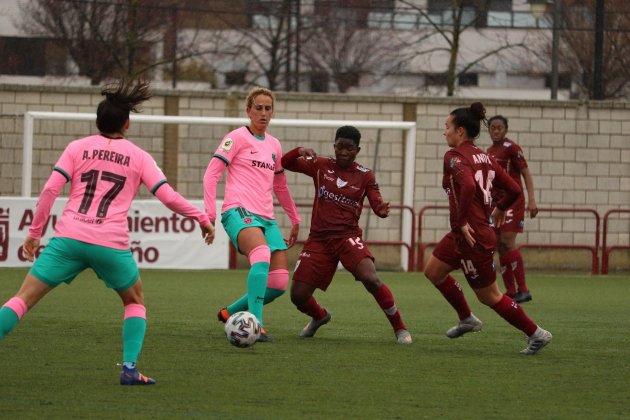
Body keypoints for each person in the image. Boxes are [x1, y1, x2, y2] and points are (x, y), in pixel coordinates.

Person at [0, 79, 215, 384]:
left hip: (69, 238)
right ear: (127, 124)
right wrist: (201, 217)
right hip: (109, 243)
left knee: (22, 299)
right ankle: (129, 369)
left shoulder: (77, 147)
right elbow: (167, 196)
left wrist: (35, 233)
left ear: (98, 121)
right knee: (134, 301)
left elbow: (50, 189)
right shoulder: (139, 156)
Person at [423, 102, 551, 355]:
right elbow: (514, 189)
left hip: (473, 236)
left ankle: (537, 333)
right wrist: (500, 208)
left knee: (490, 296)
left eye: (446, 126)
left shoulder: (454, 156)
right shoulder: (487, 157)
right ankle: (466, 318)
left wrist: (461, 222)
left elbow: (469, 186)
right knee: (433, 272)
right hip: (463, 233)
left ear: (460, 131)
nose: (444, 132)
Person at [281, 125, 412, 345]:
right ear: (334, 146)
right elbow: (286, 163)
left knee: (371, 278)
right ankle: (320, 316)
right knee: (298, 296)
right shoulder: (321, 165)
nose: (343, 152)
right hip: (319, 240)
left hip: (347, 237)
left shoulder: (365, 175)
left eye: (349, 148)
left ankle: (400, 328)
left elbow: (376, 200)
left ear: (357, 150)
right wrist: (299, 150)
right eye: (340, 147)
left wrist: (380, 209)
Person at [204, 87, 300, 342]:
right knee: (261, 255)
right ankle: (256, 325)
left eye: (268, 108)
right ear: (248, 110)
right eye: (258, 108)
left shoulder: (274, 145)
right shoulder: (235, 138)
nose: (263, 113)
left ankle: (230, 312)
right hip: (238, 211)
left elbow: (280, 185)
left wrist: (295, 218)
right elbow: (211, 174)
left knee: (279, 282)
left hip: (266, 218)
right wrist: (209, 213)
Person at [486, 115, 538, 303]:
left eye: (500, 127)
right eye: (493, 127)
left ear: (506, 130)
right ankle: (511, 291)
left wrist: (532, 199)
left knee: (508, 240)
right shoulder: (489, 151)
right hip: (497, 203)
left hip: (513, 201)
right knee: (499, 244)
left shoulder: (512, 148)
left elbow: (525, 173)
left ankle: (524, 289)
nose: (496, 131)